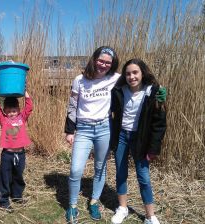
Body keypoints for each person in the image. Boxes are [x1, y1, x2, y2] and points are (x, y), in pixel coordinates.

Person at [64, 46, 121, 223]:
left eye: (108, 62)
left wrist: (155, 90)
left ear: (112, 64)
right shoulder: (79, 80)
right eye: (101, 60)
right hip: (84, 129)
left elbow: (137, 82)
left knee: (100, 168)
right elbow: (73, 106)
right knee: (75, 170)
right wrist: (69, 130)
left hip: (104, 128)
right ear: (94, 59)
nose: (103, 65)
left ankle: (94, 201)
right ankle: (72, 206)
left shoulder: (116, 79)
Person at [110, 59, 166, 224]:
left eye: (135, 72)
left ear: (143, 73)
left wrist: (153, 148)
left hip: (140, 139)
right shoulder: (119, 90)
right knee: (121, 173)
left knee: (144, 177)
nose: (131, 76)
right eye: (128, 73)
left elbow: (159, 124)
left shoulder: (153, 92)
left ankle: (150, 215)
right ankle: (122, 208)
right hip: (121, 136)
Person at [0, 89, 33, 212]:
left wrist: (25, 93)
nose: (11, 113)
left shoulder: (22, 117)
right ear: (5, 111)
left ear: (18, 110)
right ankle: (3, 201)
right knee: (5, 177)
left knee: (18, 175)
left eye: (14, 111)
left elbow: (29, 107)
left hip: (20, 154)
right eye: (8, 111)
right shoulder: (3, 120)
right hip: (7, 154)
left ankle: (17, 196)